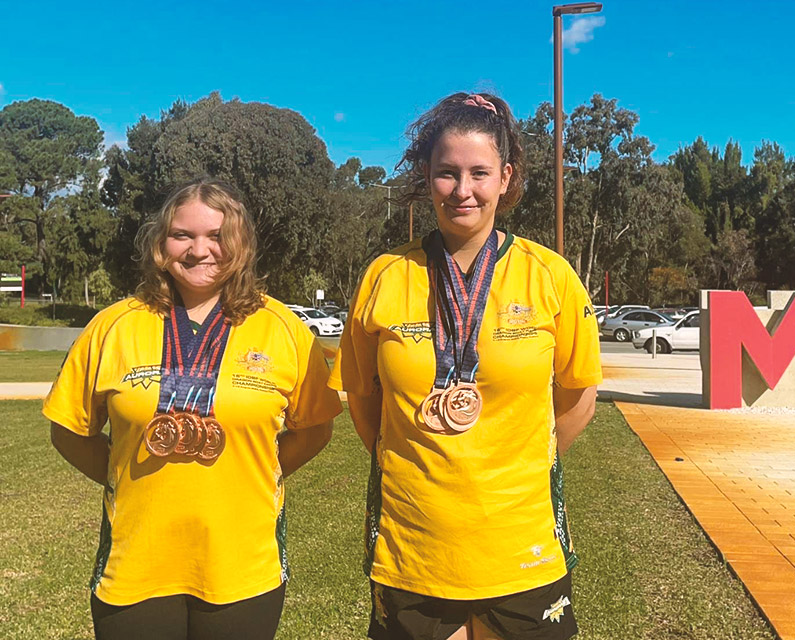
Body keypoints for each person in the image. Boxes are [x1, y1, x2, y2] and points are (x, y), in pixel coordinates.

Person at [330, 92, 602, 640]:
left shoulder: (550, 277)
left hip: (522, 544)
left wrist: (516, 463)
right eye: (446, 173)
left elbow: (576, 401)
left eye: (479, 173)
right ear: (426, 178)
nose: (462, 190)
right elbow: (364, 403)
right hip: (415, 547)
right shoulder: (385, 277)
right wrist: (419, 463)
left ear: (506, 177)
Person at [43, 178, 342, 640]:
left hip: (241, 565)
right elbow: (69, 430)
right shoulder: (114, 326)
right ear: (161, 243)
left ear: (240, 243)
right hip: (136, 566)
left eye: (217, 236)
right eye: (183, 235)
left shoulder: (283, 328)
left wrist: (256, 471)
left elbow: (315, 429)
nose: (200, 249)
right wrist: (119, 473)